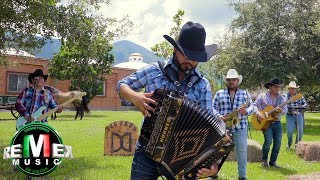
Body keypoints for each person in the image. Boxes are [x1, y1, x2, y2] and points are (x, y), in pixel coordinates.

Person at [117, 21, 219, 179]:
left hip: (182, 159)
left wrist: (214, 165)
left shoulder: (202, 84)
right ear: (174, 49)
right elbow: (122, 85)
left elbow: (209, 130)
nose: (189, 60)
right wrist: (135, 97)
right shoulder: (154, 70)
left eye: (194, 57)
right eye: (185, 54)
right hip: (146, 154)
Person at [212, 69, 254, 180]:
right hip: (222, 127)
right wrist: (218, 116)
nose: (231, 82)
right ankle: (213, 174)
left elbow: (252, 106)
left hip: (240, 127)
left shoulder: (245, 93)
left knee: (241, 152)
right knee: (217, 151)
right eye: (229, 80)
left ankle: (242, 176)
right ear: (226, 81)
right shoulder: (219, 93)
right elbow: (212, 108)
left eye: (233, 80)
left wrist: (247, 111)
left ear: (237, 81)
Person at [253, 78, 288, 168]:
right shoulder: (262, 96)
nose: (277, 88)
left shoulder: (281, 98)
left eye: (279, 87)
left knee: (278, 143)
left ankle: (273, 162)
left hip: (277, 123)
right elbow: (254, 106)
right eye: (275, 86)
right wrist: (259, 114)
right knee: (268, 141)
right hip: (266, 123)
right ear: (270, 87)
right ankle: (264, 160)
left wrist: (281, 110)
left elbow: (285, 110)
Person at [285, 81, 307, 149]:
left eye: (294, 88)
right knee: (289, 131)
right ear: (289, 89)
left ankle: (297, 145)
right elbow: (285, 106)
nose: (293, 90)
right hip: (290, 116)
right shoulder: (286, 96)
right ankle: (289, 143)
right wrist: (292, 110)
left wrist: (299, 108)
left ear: (296, 89)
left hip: (299, 115)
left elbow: (305, 104)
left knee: (300, 131)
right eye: (291, 88)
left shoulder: (300, 96)